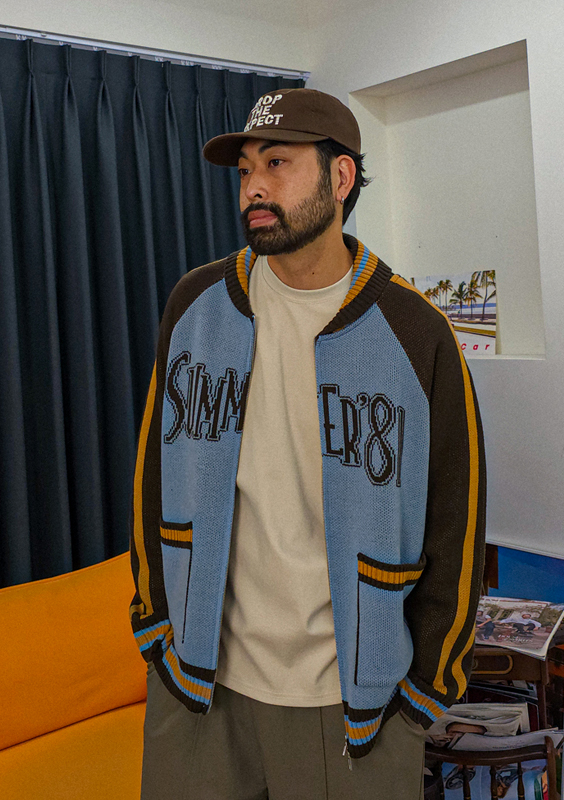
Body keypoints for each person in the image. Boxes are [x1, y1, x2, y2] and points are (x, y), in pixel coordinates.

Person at [129, 87, 486, 800]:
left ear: (340, 176)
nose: (253, 187)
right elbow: (150, 475)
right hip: (198, 684)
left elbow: (459, 520)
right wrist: (154, 624)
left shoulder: (416, 332)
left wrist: (425, 690)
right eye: (245, 170)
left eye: (277, 163)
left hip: (350, 703)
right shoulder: (194, 306)